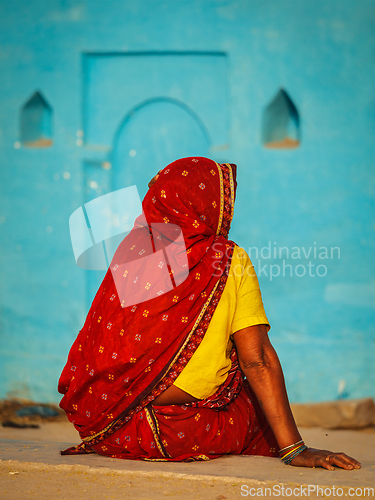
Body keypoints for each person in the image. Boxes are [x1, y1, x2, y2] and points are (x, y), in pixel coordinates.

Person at [59, 157, 360, 469]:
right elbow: (256, 359)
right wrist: (296, 449)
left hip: (106, 426)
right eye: (224, 197)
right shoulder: (227, 259)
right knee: (255, 406)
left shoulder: (132, 251)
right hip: (172, 429)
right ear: (204, 203)